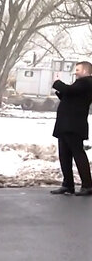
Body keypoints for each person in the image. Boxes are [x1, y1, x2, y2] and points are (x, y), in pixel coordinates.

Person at [51, 61, 92, 196]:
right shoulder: (80, 84)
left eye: (78, 69)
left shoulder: (86, 82)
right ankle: (68, 184)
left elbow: (70, 90)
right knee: (64, 154)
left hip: (73, 124)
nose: (75, 72)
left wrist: (57, 82)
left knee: (78, 153)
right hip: (66, 124)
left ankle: (87, 185)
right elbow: (71, 95)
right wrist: (61, 93)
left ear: (86, 71)